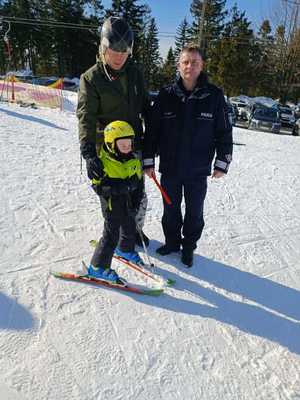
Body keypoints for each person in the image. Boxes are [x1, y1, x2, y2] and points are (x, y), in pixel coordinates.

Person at [143, 44, 233, 267]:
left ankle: (189, 246)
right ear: (178, 65)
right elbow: (153, 130)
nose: (189, 66)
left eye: (194, 62)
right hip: (171, 167)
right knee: (170, 209)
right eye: (185, 62)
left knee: (194, 212)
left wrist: (222, 163)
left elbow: (224, 132)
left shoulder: (213, 96)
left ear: (201, 66)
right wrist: (148, 160)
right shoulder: (166, 95)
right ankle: (172, 242)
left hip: (197, 169)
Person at [77, 16, 150, 247]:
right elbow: (85, 117)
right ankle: (114, 234)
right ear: (103, 47)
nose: (119, 56)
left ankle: (134, 230)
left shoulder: (135, 73)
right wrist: (89, 152)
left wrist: (153, 139)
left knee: (138, 196)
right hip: (107, 150)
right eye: (114, 50)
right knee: (113, 198)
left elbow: (146, 107)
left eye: (124, 51)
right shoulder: (91, 78)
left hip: (132, 146)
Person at [87, 120, 144, 282]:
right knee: (111, 235)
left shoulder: (133, 160)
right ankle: (98, 266)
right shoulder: (102, 164)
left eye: (129, 142)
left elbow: (138, 183)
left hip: (127, 202)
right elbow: (99, 187)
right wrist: (122, 187)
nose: (127, 146)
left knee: (129, 224)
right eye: (122, 143)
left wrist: (136, 201)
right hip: (111, 205)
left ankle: (125, 249)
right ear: (112, 143)